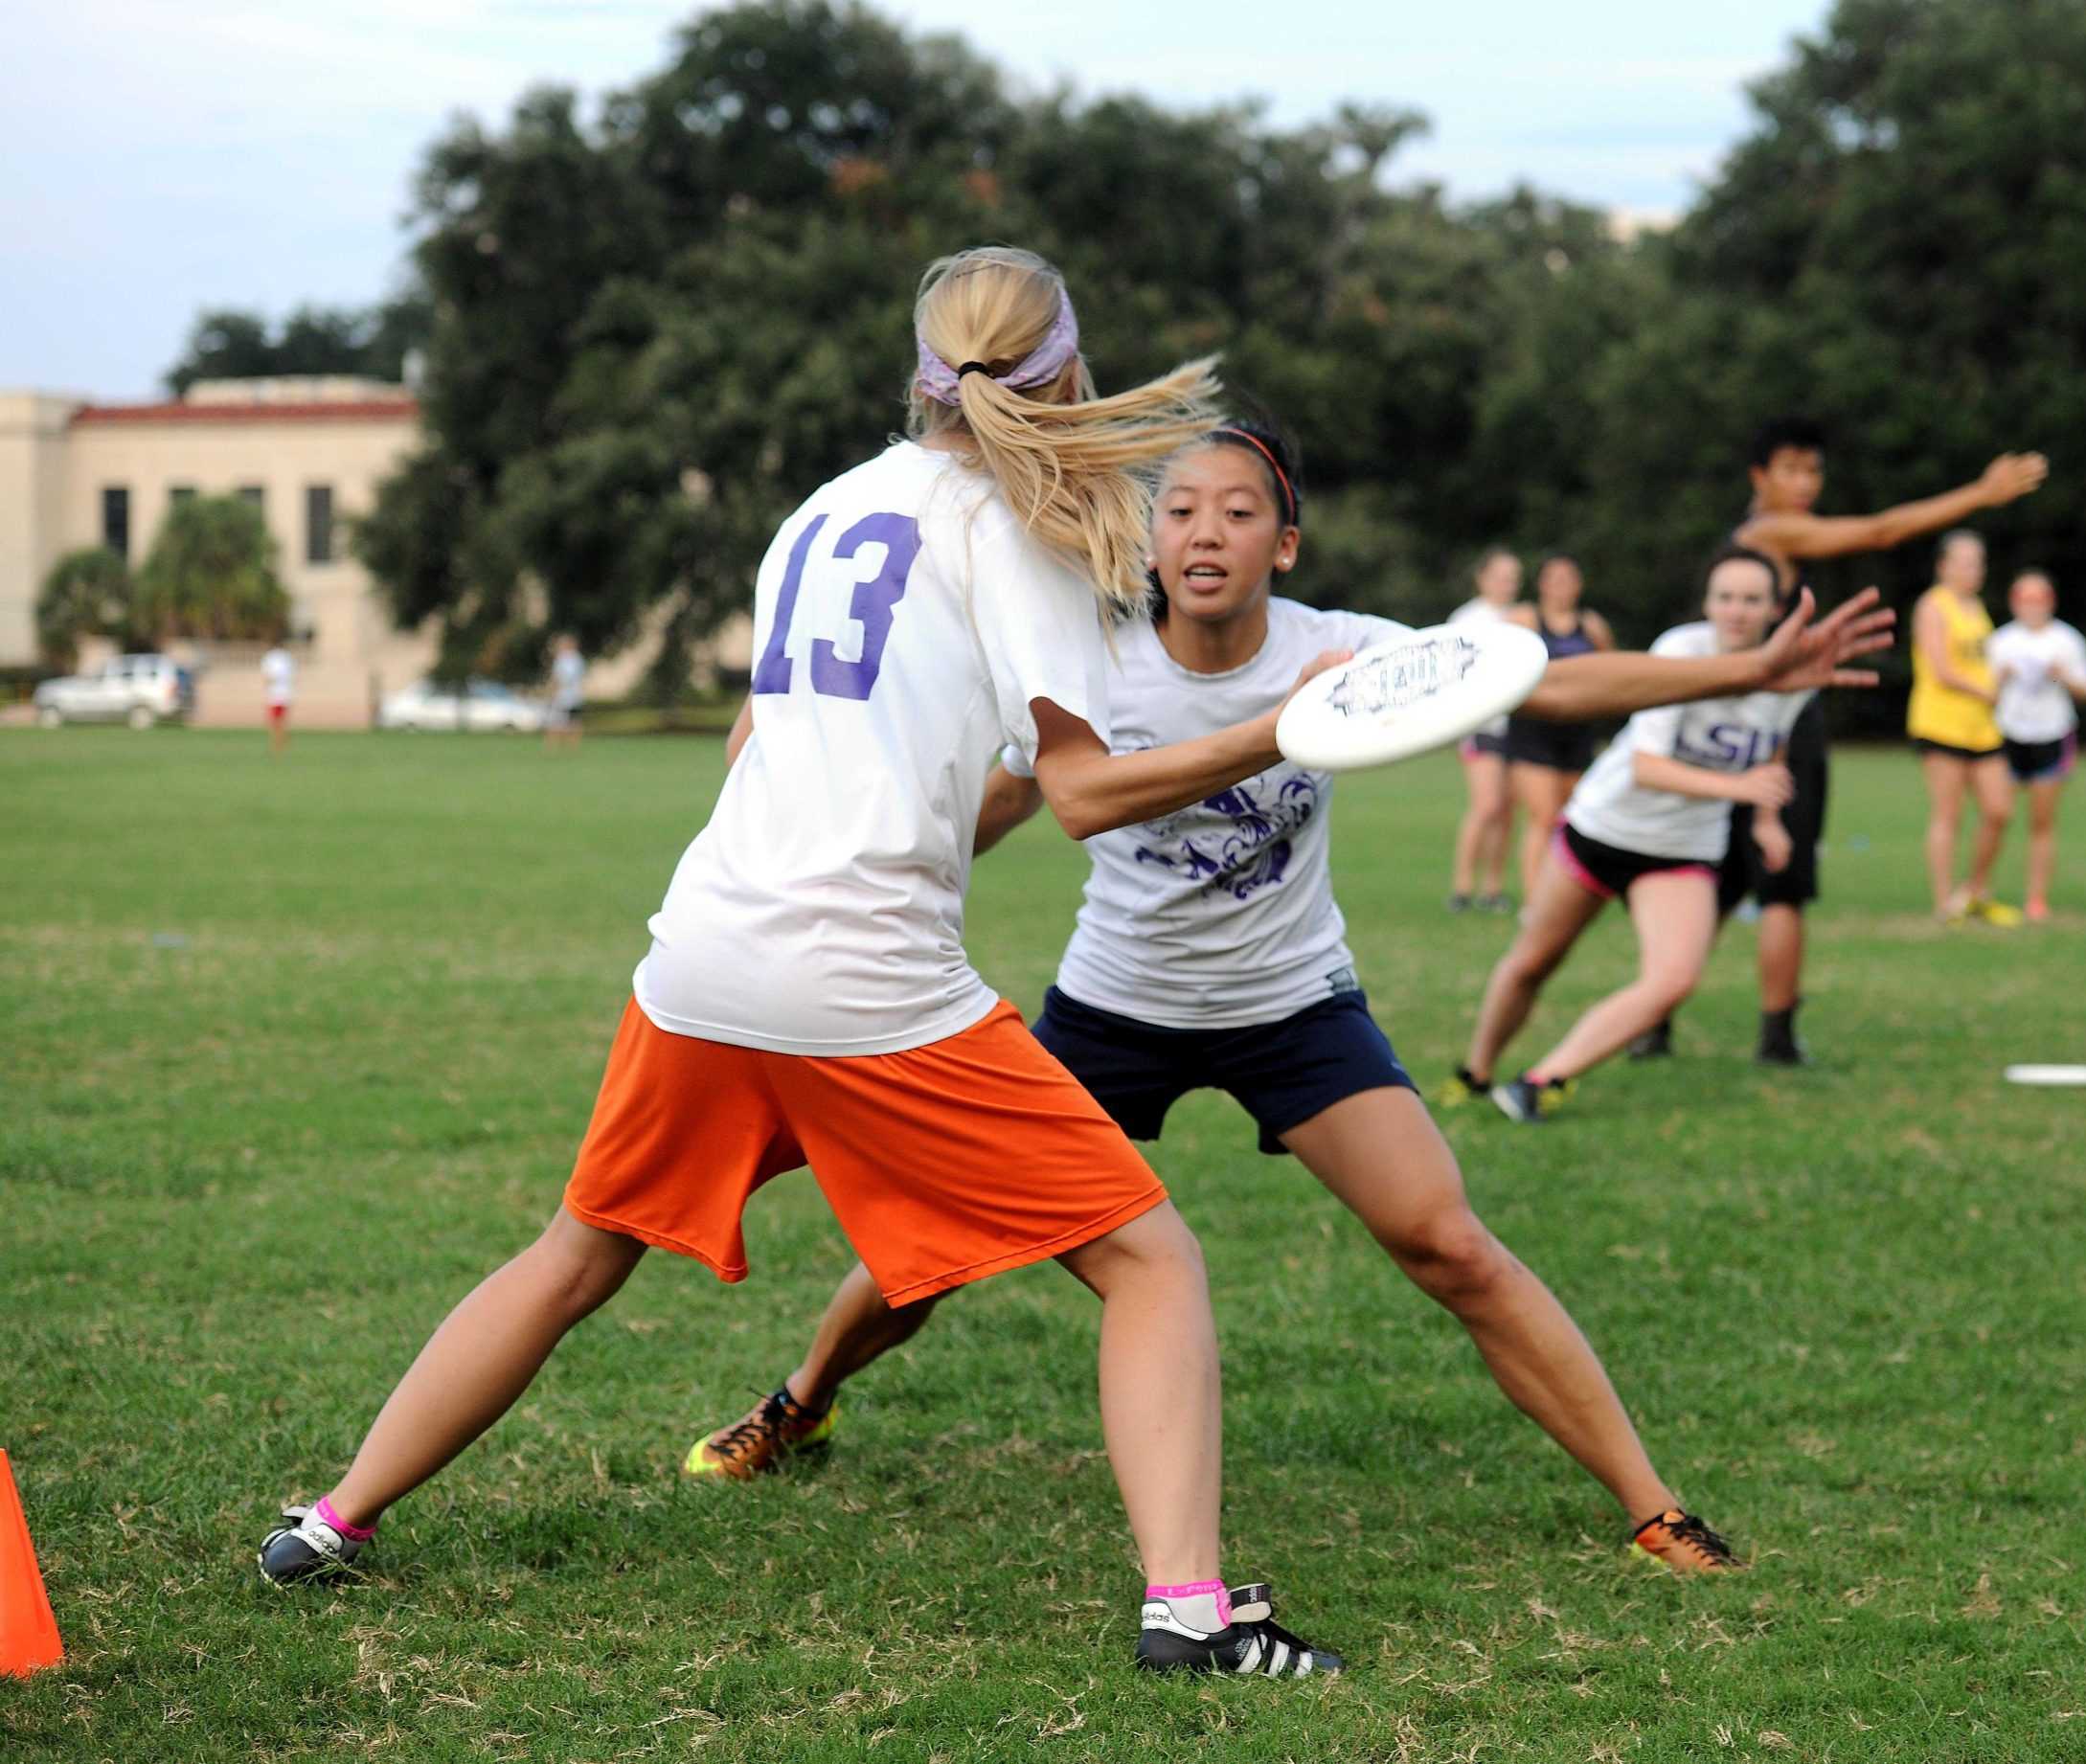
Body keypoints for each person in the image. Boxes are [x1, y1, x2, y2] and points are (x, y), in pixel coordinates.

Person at [254, 246, 1350, 1680]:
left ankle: (331, 1519)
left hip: (706, 945)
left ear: (921, 370)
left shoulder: (823, 508)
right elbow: (1081, 793)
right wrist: (1287, 726)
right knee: (1152, 1260)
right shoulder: (1009, 536)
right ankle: (1192, 1616)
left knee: (578, 1250)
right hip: (864, 975)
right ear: (1066, 372)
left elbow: (754, 741)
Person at [680, 425, 1895, 1580]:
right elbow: (991, 804)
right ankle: (800, 1403)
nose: (1204, 532)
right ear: (1147, 540)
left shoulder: (1342, 646)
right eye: (1179, 510)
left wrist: (1746, 666)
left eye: (1239, 512)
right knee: (933, 1247)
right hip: (1114, 1008)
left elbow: (1544, 687)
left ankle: (1651, 1505)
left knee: (1450, 1243)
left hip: (1292, 1005)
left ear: (1286, 543)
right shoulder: (1088, 660)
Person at [1634, 419, 2051, 1064]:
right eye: (1791, 469)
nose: (1806, 484)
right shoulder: (1768, 533)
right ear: (1758, 477)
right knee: (1780, 882)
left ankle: (1656, 1021)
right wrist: (1979, 494)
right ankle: (1772, 1038)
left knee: (1720, 877)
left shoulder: (1753, 539)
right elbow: (1880, 531)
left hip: (1734, 711)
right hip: (1775, 715)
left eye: (1814, 471)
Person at [1456, 548, 1815, 1121]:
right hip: (1605, 827)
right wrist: (1741, 791)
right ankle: (1474, 1073)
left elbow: (1769, 747)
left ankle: (1539, 1082)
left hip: (1681, 850)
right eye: (1725, 597)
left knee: (1673, 980)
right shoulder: (1680, 650)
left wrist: (1768, 818)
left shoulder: (1792, 676)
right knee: (1533, 963)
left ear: (1774, 607)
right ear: (1707, 604)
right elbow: (1648, 765)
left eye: (1752, 600)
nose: (1738, 611)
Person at [1908, 531, 2022, 925]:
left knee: (1999, 809)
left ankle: (1974, 892)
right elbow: (1941, 668)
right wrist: (1985, 689)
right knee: (1948, 814)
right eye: (1964, 561)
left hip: (1981, 727)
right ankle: (1944, 904)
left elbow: (1978, 663)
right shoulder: (1933, 606)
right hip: (1941, 724)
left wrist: (1999, 679)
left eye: (1978, 562)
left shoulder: (1975, 608)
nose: (1974, 570)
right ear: (1943, 566)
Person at [1985, 571, 2086, 920]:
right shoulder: (2001, 641)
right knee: (1996, 815)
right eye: (2025, 599)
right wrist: (2000, 679)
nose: (2033, 607)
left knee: (2041, 823)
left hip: (2051, 735)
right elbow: (1981, 694)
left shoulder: (2067, 640)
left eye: (2039, 599)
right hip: (2006, 734)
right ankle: (1979, 888)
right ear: (2014, 602)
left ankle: (2036, 898)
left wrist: (2062, 676)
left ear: (2050, 602)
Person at [1501, 556, 1615, 902]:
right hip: (1533, 730)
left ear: (1579, 585)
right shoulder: (1524, 620)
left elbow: (1611, 669)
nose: (1562, 586)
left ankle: (1562, 894)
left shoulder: (1591, 625)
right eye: (1555, 579)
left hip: (1577, 730)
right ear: (1543, 585)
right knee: (1543, 815)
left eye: (1569, 579)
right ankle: (1534, 902)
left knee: (1570, 817)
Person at [1446, 548, 1524, 913]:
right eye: (1502, 576)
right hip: (1482, 726)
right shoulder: (1467, 620)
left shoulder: (1522, 618)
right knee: (1486, 806)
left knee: (1507, 811)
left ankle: (1493, 889)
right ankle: (1462, 888)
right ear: (1483, 578)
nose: (1508, 584)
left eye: (1514, 577)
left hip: (1520, 727)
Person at [545, 636, 586, 751]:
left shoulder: (562, 659)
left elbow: (558, 679)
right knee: (574, 721)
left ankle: (553, 746)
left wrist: (551, 692)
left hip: (563, 697)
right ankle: (573, 747)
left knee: (556, 722)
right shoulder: (579, 659)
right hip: (576, 696)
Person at [261, 642, 294, 757]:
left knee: (275, 722)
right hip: (285, 694)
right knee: (281, 721)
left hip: (275, 695)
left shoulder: (270, 657)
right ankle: (280, 743)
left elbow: (266, 677)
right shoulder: (287, 657)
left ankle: (278, 745)